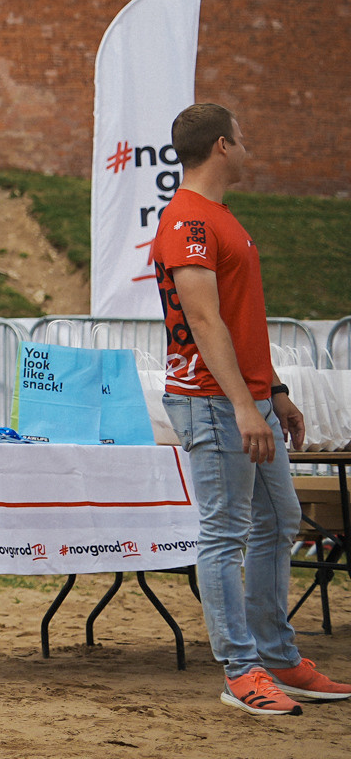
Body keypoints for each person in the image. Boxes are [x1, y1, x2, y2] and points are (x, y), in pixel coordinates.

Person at [152, 103, 350, 716]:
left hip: (244, 398)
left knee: (278, 522)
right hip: (214, 402)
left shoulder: (217, 217)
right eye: (243, 138)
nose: (249, 148)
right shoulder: (188, 219)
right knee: (224, 533)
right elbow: (204, 320)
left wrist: (275, 392)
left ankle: (278, 656)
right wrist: (245, 404)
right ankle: (242, 669)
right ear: (220, 147)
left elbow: (238, 319)